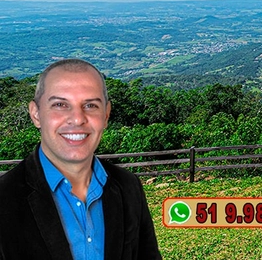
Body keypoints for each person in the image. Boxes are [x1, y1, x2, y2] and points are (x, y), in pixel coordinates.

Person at [0, 58, 161, 260]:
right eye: (60, 104)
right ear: (36, 114)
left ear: (106, 115)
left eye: (91, 105)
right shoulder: (5, 199)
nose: (77, 119)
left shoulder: (128, 186)